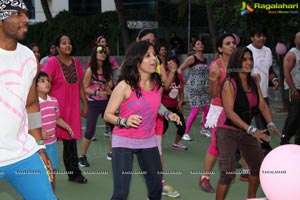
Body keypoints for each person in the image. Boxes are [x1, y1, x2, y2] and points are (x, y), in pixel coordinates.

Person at [103, 41, 182, 200]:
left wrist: (168, 114)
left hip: (148, 141)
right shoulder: (124, 86)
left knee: (155, 189)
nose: (154, 59)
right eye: (148, 56)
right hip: (123, 142)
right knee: (121, 194)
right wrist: (125, 121)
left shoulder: (156, 83)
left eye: (154, 55)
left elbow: (155, 104)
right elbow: (108, 114)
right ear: (136, 60)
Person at [0, 1, 57, 199]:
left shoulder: (28, 57)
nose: (26, 19)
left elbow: (31, 104)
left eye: (26, 13)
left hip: (23, 155)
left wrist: (40, 146)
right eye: (17, 13)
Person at [216, 46, 282, 200]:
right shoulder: (229, 83)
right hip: (227, 130)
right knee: (228, 172)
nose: (248, 62)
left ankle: (250, 198)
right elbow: (230, 113)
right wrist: (252, 130)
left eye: (250, 59)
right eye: (244, 59)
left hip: (245, 130)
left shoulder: (253, 81)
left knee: (259, 167)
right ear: (236, 62)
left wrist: (270, 123)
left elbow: (262, 105)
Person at [136, 28, 180, 198]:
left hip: (155, 116)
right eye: (147, 40)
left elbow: (164, 88)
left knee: (157, 150)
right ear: (138, 40)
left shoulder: (157, 64)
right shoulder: (131, 63)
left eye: (153, 41)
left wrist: (174, 71)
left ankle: (159, 183)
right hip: (135, 119)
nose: (151, 43)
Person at [42, 33, 88, 184]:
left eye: (69, 43)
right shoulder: (52, 63)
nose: (67, 45)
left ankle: (74, 173)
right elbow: (43, 85)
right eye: (63, 43)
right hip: (54, 111)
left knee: (71, 141)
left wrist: (85, 104)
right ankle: (42, 174)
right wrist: (42, 106)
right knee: (46, 142)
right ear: (57, 47)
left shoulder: (75, 62)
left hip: (72, 108)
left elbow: (80, 85)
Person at [199, 33, 237, 193]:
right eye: (228, 43)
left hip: (236, 110)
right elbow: (213, 94)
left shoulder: (240, 63)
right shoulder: (215, 66)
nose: (232, 45)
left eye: (233, 43)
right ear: (220, 49)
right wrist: (214, 80)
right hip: (220, 109)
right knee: (216, 145)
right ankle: (204, 178)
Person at [37, 71, 74, 192]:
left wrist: (67, 127)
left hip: (52, 144)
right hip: (38, 145)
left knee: (52, 171)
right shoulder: (33, 104)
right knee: (38, 172)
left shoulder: (54, 101)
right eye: (42, 81)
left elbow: (57, 118)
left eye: (48, 80)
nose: (47, 83)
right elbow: (27, 125)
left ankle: (52, 194)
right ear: (34, 86)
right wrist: (38, 134)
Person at [79, 44, 114, 167]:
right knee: (89, 131)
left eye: (104, 51)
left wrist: (108, 87)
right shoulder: (90, 70)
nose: (103, 53)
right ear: (95, 54)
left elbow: (109, 87)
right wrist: (97, 92)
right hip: (93, 103)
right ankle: (82, 156)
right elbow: (84, 87)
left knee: (113, 128)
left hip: (106, 103)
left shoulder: (107, 70)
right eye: (100, 51)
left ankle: (111, 152)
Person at [247, 24, 280, 155]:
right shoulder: (246, 51)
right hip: (248, 95)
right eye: (258, 36)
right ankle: (236, 154)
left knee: (265, 125)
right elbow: (239, 72)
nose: (262, 38)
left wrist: (274, 80)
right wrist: (251, 76)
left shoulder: (268, 51)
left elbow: (269, 69)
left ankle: (266, 150)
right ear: (252, 38)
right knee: (243, 126)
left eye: (264, 36)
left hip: (263, 95)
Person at [178, 39, 211, 141]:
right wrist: (181, 78)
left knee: (207, 108)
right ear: (194, 47)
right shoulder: (192, 58)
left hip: (204, 88)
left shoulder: (205, 59)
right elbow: (180, 68)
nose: (200, 45)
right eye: (198, 44)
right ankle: (185, 133)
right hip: (194, 88)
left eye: (201, 43)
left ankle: (204, 128)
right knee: (195, 110)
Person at [162, 55, 187, 151]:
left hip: (174, 107)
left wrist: (181, 101)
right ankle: (152, 144)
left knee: (182, 127)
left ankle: (176, 143)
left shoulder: (179, 77)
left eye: (172, 62)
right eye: (169, 61)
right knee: (163, 128)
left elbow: (181, 90)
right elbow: (165, 88)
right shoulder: (165, 77)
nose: (170, 63)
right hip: (164, 107)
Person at [280, 31, 300, 145]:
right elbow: (286, 72)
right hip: (294, 89)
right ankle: (284, 141)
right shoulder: (292, 54)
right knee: (293, 117)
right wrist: (293, 89)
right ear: (295, 41)